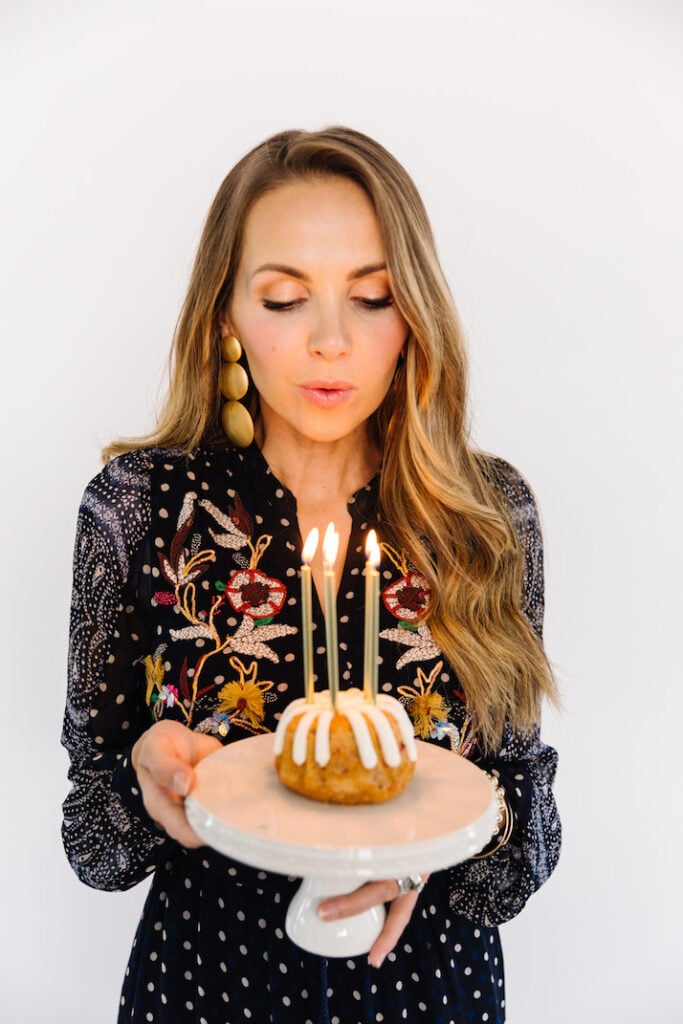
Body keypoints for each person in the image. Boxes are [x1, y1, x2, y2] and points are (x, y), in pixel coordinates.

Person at [61, 126, 561, 1024]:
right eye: (285, 299)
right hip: (203, 990)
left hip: (429, 994)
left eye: (370, 297)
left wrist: (416, 853)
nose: (331, 341)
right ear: (225, 315)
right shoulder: (139, 510)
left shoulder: (485, 516)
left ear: (412, 315)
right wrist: (142, 778)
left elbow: (524, 832)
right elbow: (93, 845)